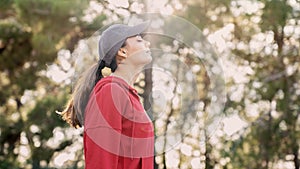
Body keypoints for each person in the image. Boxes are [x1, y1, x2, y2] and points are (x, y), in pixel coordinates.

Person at [60, 21, 154, 169]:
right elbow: (101, 161)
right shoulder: (110, 92)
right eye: (139, 40)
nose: (147, 43)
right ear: (122, 52)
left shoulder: (128, 95)